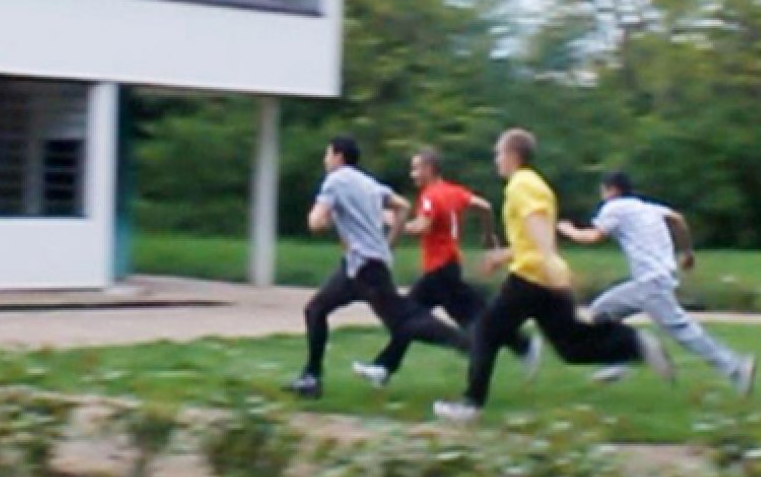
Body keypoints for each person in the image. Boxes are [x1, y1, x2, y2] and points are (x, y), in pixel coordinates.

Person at [433, 129, 668, 422]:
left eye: (498, 154)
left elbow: (535, 225)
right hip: (544, 274)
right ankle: (634, 344)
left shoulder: (520, 185)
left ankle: (470, 405)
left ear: (513, 155)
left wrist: (547, 257)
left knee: (485, 331)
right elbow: (529, 238)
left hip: (531, 276)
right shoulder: (538, 184)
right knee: (570, 346)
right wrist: (504, 256)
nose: (496, 160)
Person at [286, 135, 470, 400]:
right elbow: (402, 206)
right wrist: (389, 244)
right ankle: (311, 378)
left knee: (405, 321)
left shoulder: (335, 180)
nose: (326, 160)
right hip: (357, 266)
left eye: (328, 155)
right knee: (316, 309)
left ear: (338, 157)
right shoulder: (368, 183)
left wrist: (318, 219)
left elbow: (316, 221)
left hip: (366, 269)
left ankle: (469, 344)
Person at [560, 171, 758, 397]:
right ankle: (618, 363)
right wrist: (687, 251)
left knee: (684, 331)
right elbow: (677, 219)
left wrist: (568, 230)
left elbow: (592, 237)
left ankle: (736, 368)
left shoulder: (615, 207)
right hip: (655, 280)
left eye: (603, 191)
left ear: (612, 190)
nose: (602, 196)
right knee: (600, 312)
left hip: (649, 283)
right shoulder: (647, 207)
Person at [352, 148, 537, 387]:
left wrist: (395, 222)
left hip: (439, 271)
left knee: (412, 317)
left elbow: (423, 227)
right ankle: (384, 367)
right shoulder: (454, 191)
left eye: (416, 168)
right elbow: (485, 206)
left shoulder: (429, 196)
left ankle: (519, 347)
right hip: (447, 269)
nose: (412, 174)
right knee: (419, 318)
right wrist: (489, 235)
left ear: (429, 169)